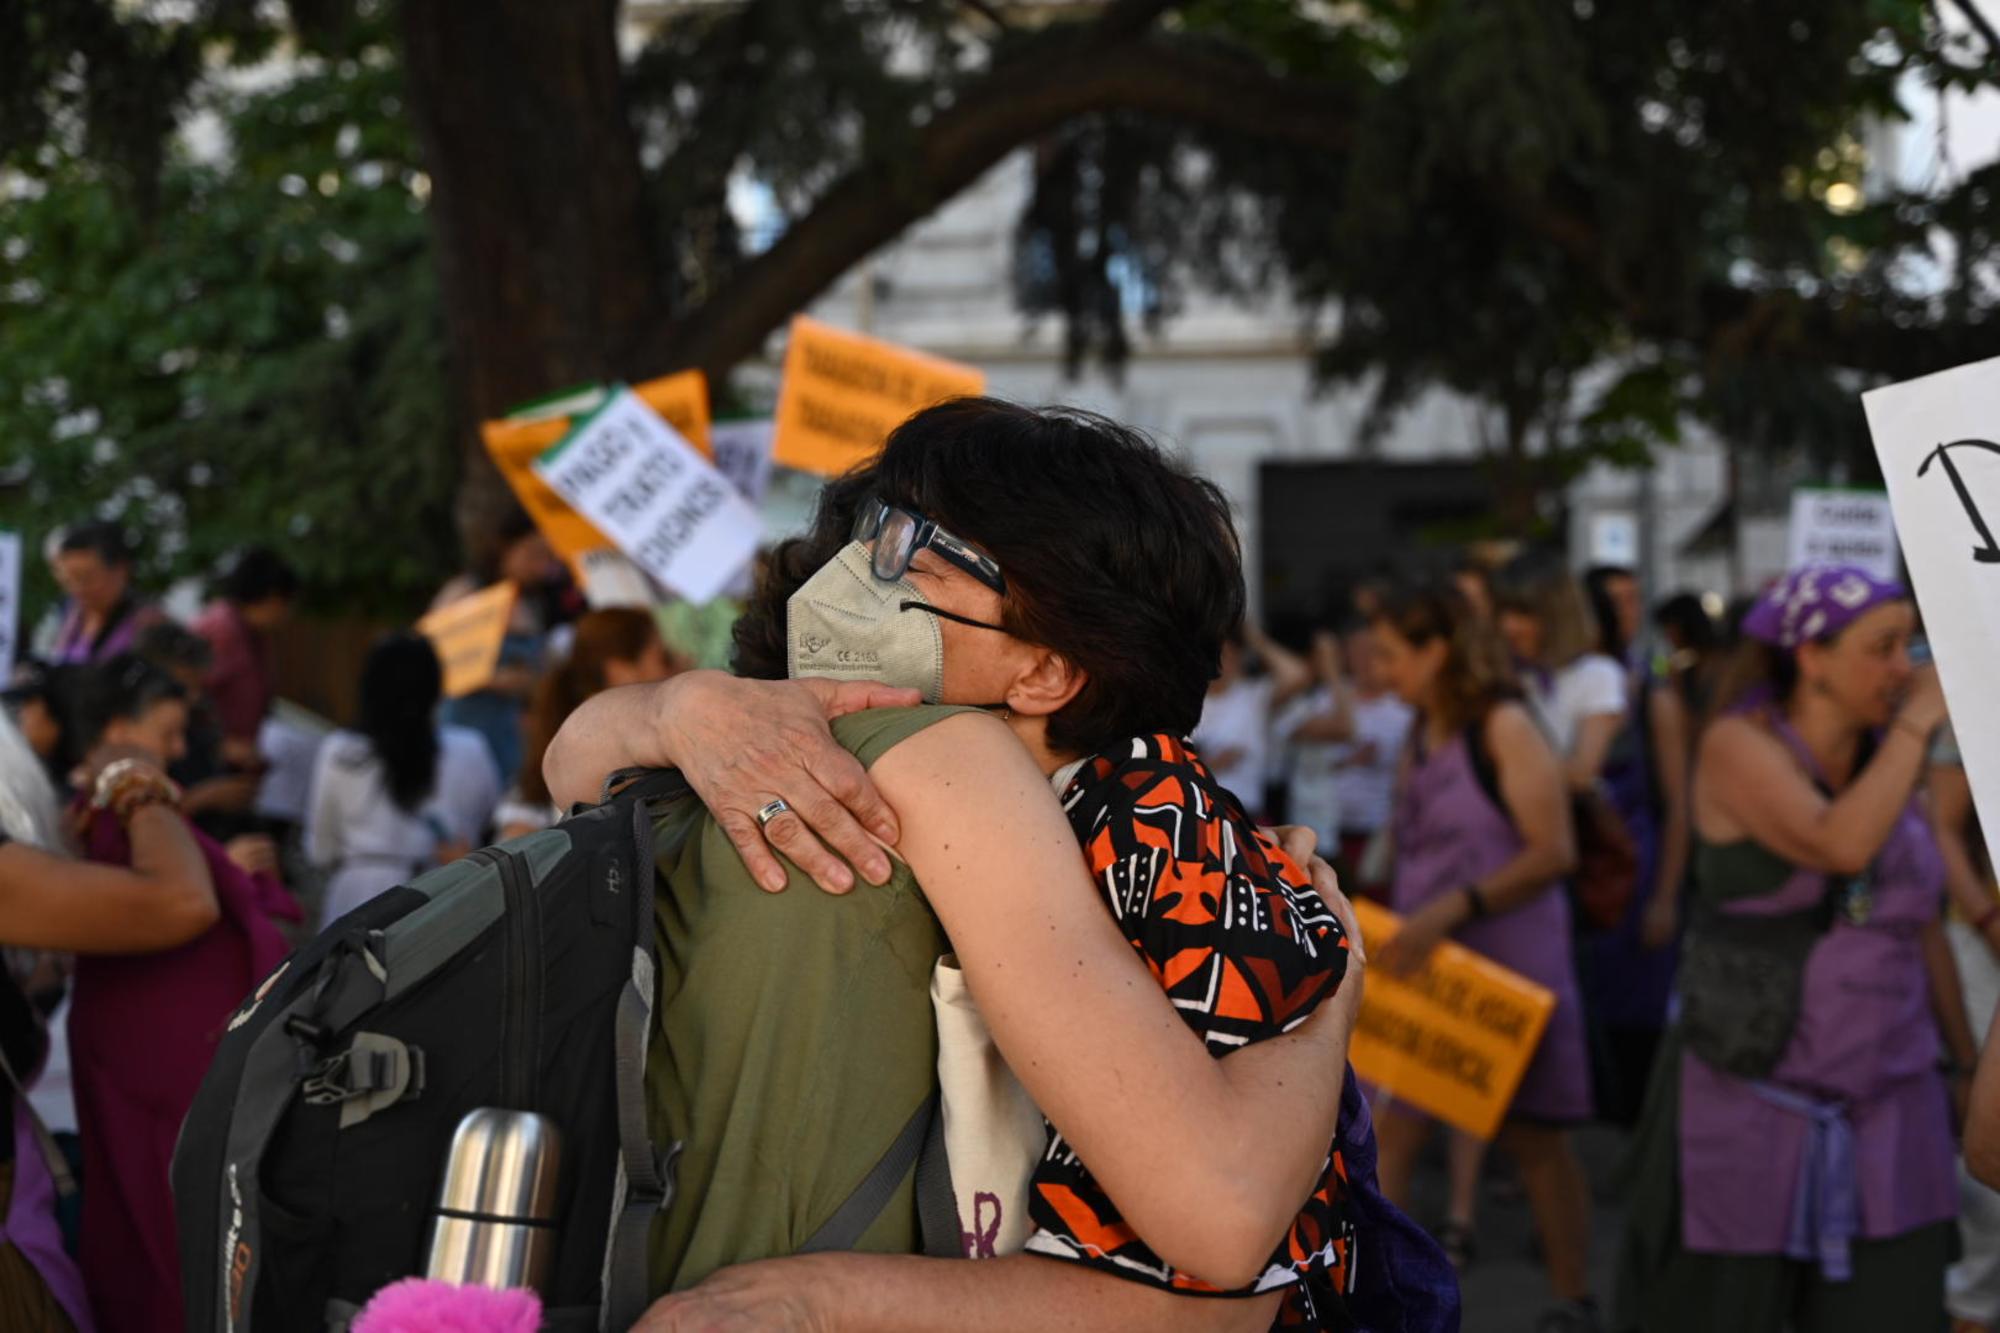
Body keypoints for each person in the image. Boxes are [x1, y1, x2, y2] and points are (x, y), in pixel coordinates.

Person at [548, 400, 1455, 1330]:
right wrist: (677, 708)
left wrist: (807, 1302)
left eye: (919, 548)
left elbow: (1223, 1256)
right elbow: (575, 774)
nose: (864, 565)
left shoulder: (1147, 827)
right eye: (875, 526)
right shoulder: (782, 742)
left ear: (1046, 672)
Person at [1616, 565, 1974, 1333]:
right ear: (1811, 655)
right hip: (1752, 1102)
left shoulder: (1887, 754)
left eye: (1908, 646)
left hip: (1891, 1099)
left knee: (1893, 1311)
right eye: (1882, 647)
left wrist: (1967, 1062)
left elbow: (1921, 923)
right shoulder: (1737, 745)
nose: (1901, 667)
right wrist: (1919, 725)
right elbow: (1838, 843)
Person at [1363, 579, 1596, 1331]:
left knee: (1536, 1143)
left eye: (1394, 653)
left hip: (1507, 968)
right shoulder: (1420, 730)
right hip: (1431, 969)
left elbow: (1555, 848)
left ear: (1439, 651)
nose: (1380, 668)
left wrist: (1454, 907)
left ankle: (1574, 1295)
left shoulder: (1502, 724)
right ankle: (1385, 1301)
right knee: (1392, 1129)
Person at [62, 655, 299, 1333]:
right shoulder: (117, 811)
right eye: (164, 733)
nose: (174, 750)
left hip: (164, 1048)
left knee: (173, 1218)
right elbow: (181, 903)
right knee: (167, 1218)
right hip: (154, 1054)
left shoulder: (138, 810)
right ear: (113, 729)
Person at [1577, 566, 1683, 1124]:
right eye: (1614, 600)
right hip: (1573, 878)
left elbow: (1679, 803)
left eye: (1634, 598)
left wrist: (1666, 894)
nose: (1627, 611)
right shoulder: (1557, 684)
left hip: (1637, 873)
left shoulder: (1651, 694)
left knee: (1637, 1020)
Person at [306, 633, 502, 927]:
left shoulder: (341, 752)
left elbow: (320, 850)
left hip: (356, 901)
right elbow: (489, 826)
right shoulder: (470, 748)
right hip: (447, 895)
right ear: (436, 686)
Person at [495, 608, 679, 840]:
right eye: (665, 658)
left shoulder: (564, 745)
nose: (682, 662)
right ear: (619, 672)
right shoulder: (613, 756)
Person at [1931, 723, 2000, 1332]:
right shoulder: (1982, 683)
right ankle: (1972, 1310)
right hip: (1981, 940)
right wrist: (1987, 917)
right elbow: (1942, 822)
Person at [432, 509, 565, 784]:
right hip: (464, 726)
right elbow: (432, 660)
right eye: (532, 554)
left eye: (546, 558)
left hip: (511, 738)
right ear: (506, 547)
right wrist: (494, 679)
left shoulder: (534, 605)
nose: (539, 567)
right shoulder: (466, 592)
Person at [190, 546, 298, 768]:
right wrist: (218, 744)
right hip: (206, 761)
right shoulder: (222, 631)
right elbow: (187, 697)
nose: (287, 616)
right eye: (286, 605)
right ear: (272, 597)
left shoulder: (254, 633)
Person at [1332, 620, 1413, 899]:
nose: (1364, 661)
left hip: (1376, 838)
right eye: (1357, 652)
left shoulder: (1405, 709)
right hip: (1328, 836)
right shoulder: (1327, 700)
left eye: (1372, 652)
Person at [45, 524, 161, 668]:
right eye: (68, 581)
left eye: (86, 578)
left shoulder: (147, 624)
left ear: (121, 570)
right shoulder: (69, 615)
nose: (77, 589)